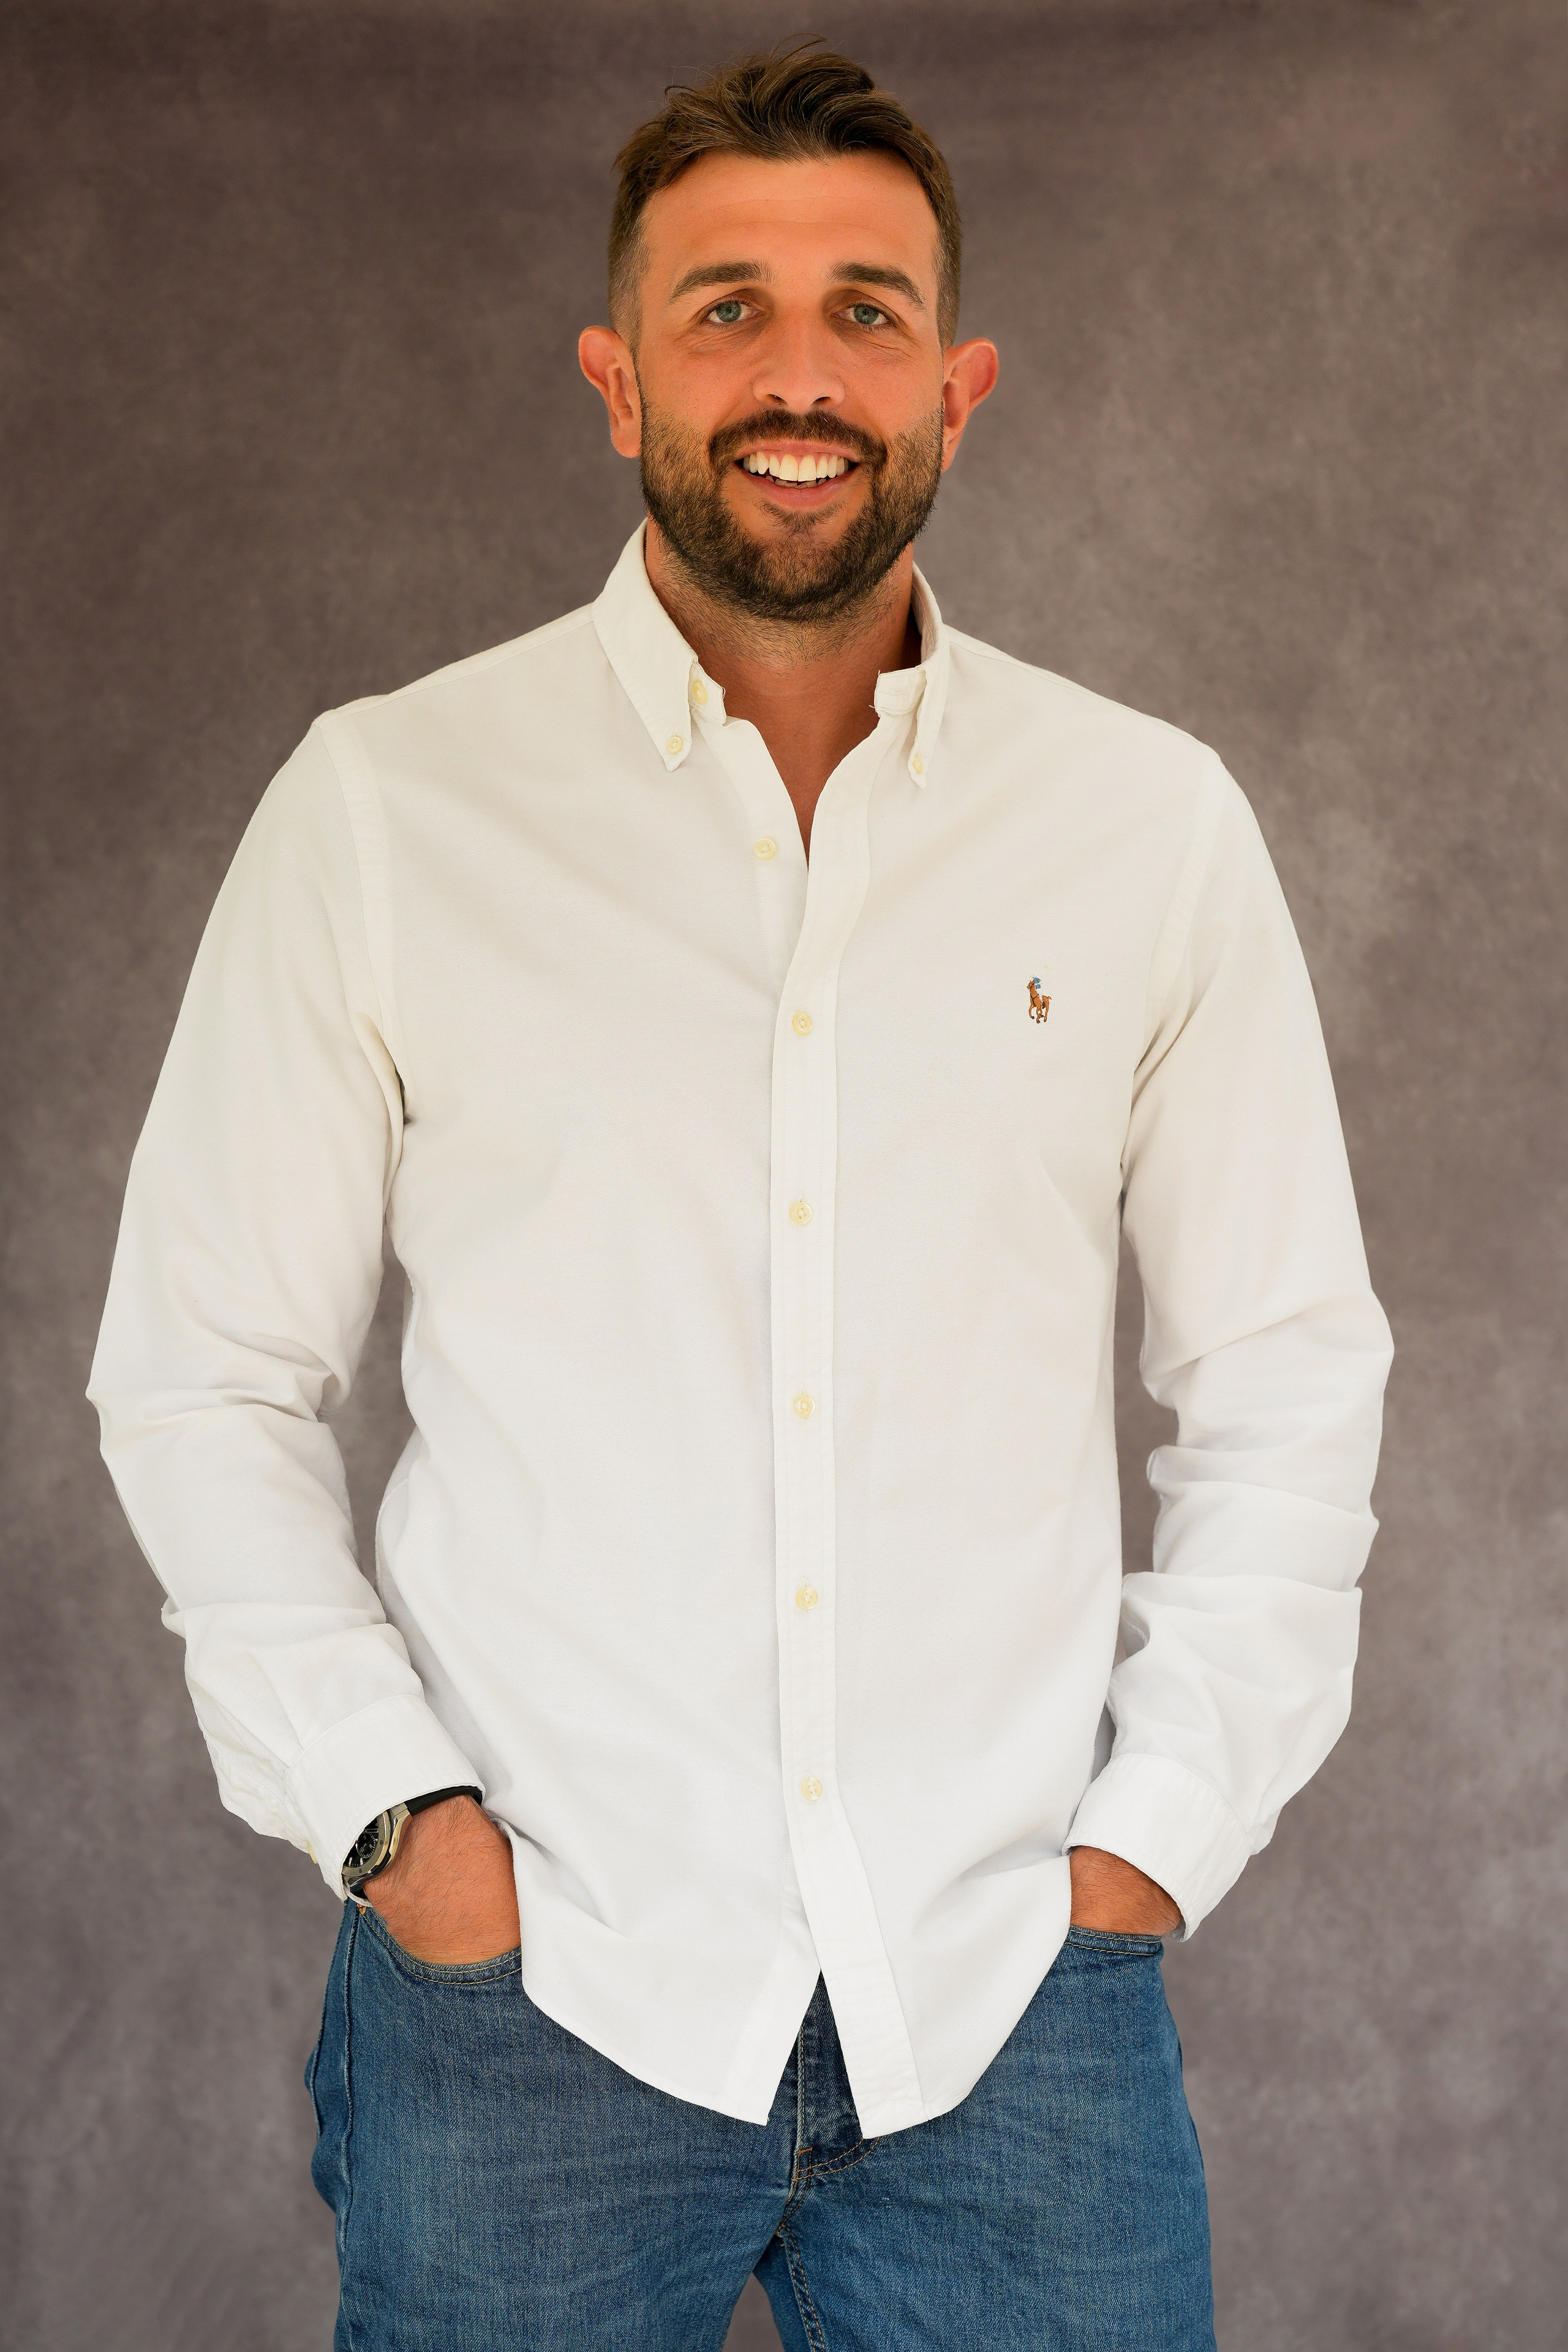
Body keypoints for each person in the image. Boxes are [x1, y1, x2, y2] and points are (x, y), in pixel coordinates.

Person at [88, 43, 1392, 2352]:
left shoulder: (1151, 828)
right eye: (726, 310)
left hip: (1012, 2008)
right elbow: (205, 1379)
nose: (800, 374)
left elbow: (1289, 1381)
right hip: (537, 2002)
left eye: (867, 309)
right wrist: (406, 1834)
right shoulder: (386, 809)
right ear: (617, 382)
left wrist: (1145, 1851)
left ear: (962, 387)